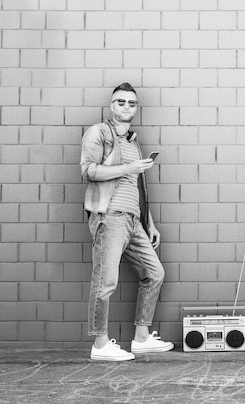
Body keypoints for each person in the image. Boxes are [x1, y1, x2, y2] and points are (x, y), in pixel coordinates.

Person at [80, 82, 173, 361]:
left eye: (131, 103)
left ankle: (142, 338)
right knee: (105, 281)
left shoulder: (134, 141)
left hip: (133, 222)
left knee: (154, 273)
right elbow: (88, 170)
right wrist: (128, 167)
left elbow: (137, 187)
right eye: (121, 102)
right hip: (109, 218)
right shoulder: (99, 133)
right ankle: (99, 345)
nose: (126, 107)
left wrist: (150, 223)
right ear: (111, 106)